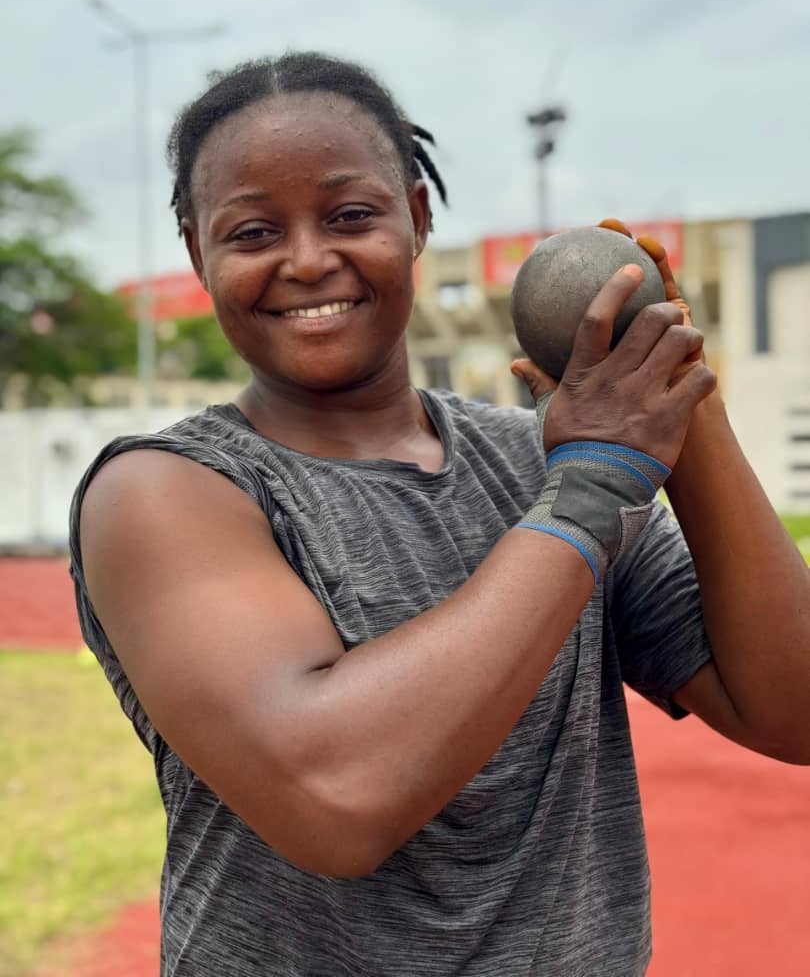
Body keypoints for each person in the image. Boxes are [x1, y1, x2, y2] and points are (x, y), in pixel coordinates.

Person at [70, 52, 810, 977]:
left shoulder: (540, 456)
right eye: (254, 231)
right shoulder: (166, 491)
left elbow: (795, 709)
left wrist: (676, 398)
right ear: (197, 252)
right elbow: (334, 798)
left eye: (350, 215)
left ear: (416, 219)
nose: (307, 261)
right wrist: (589, 490)